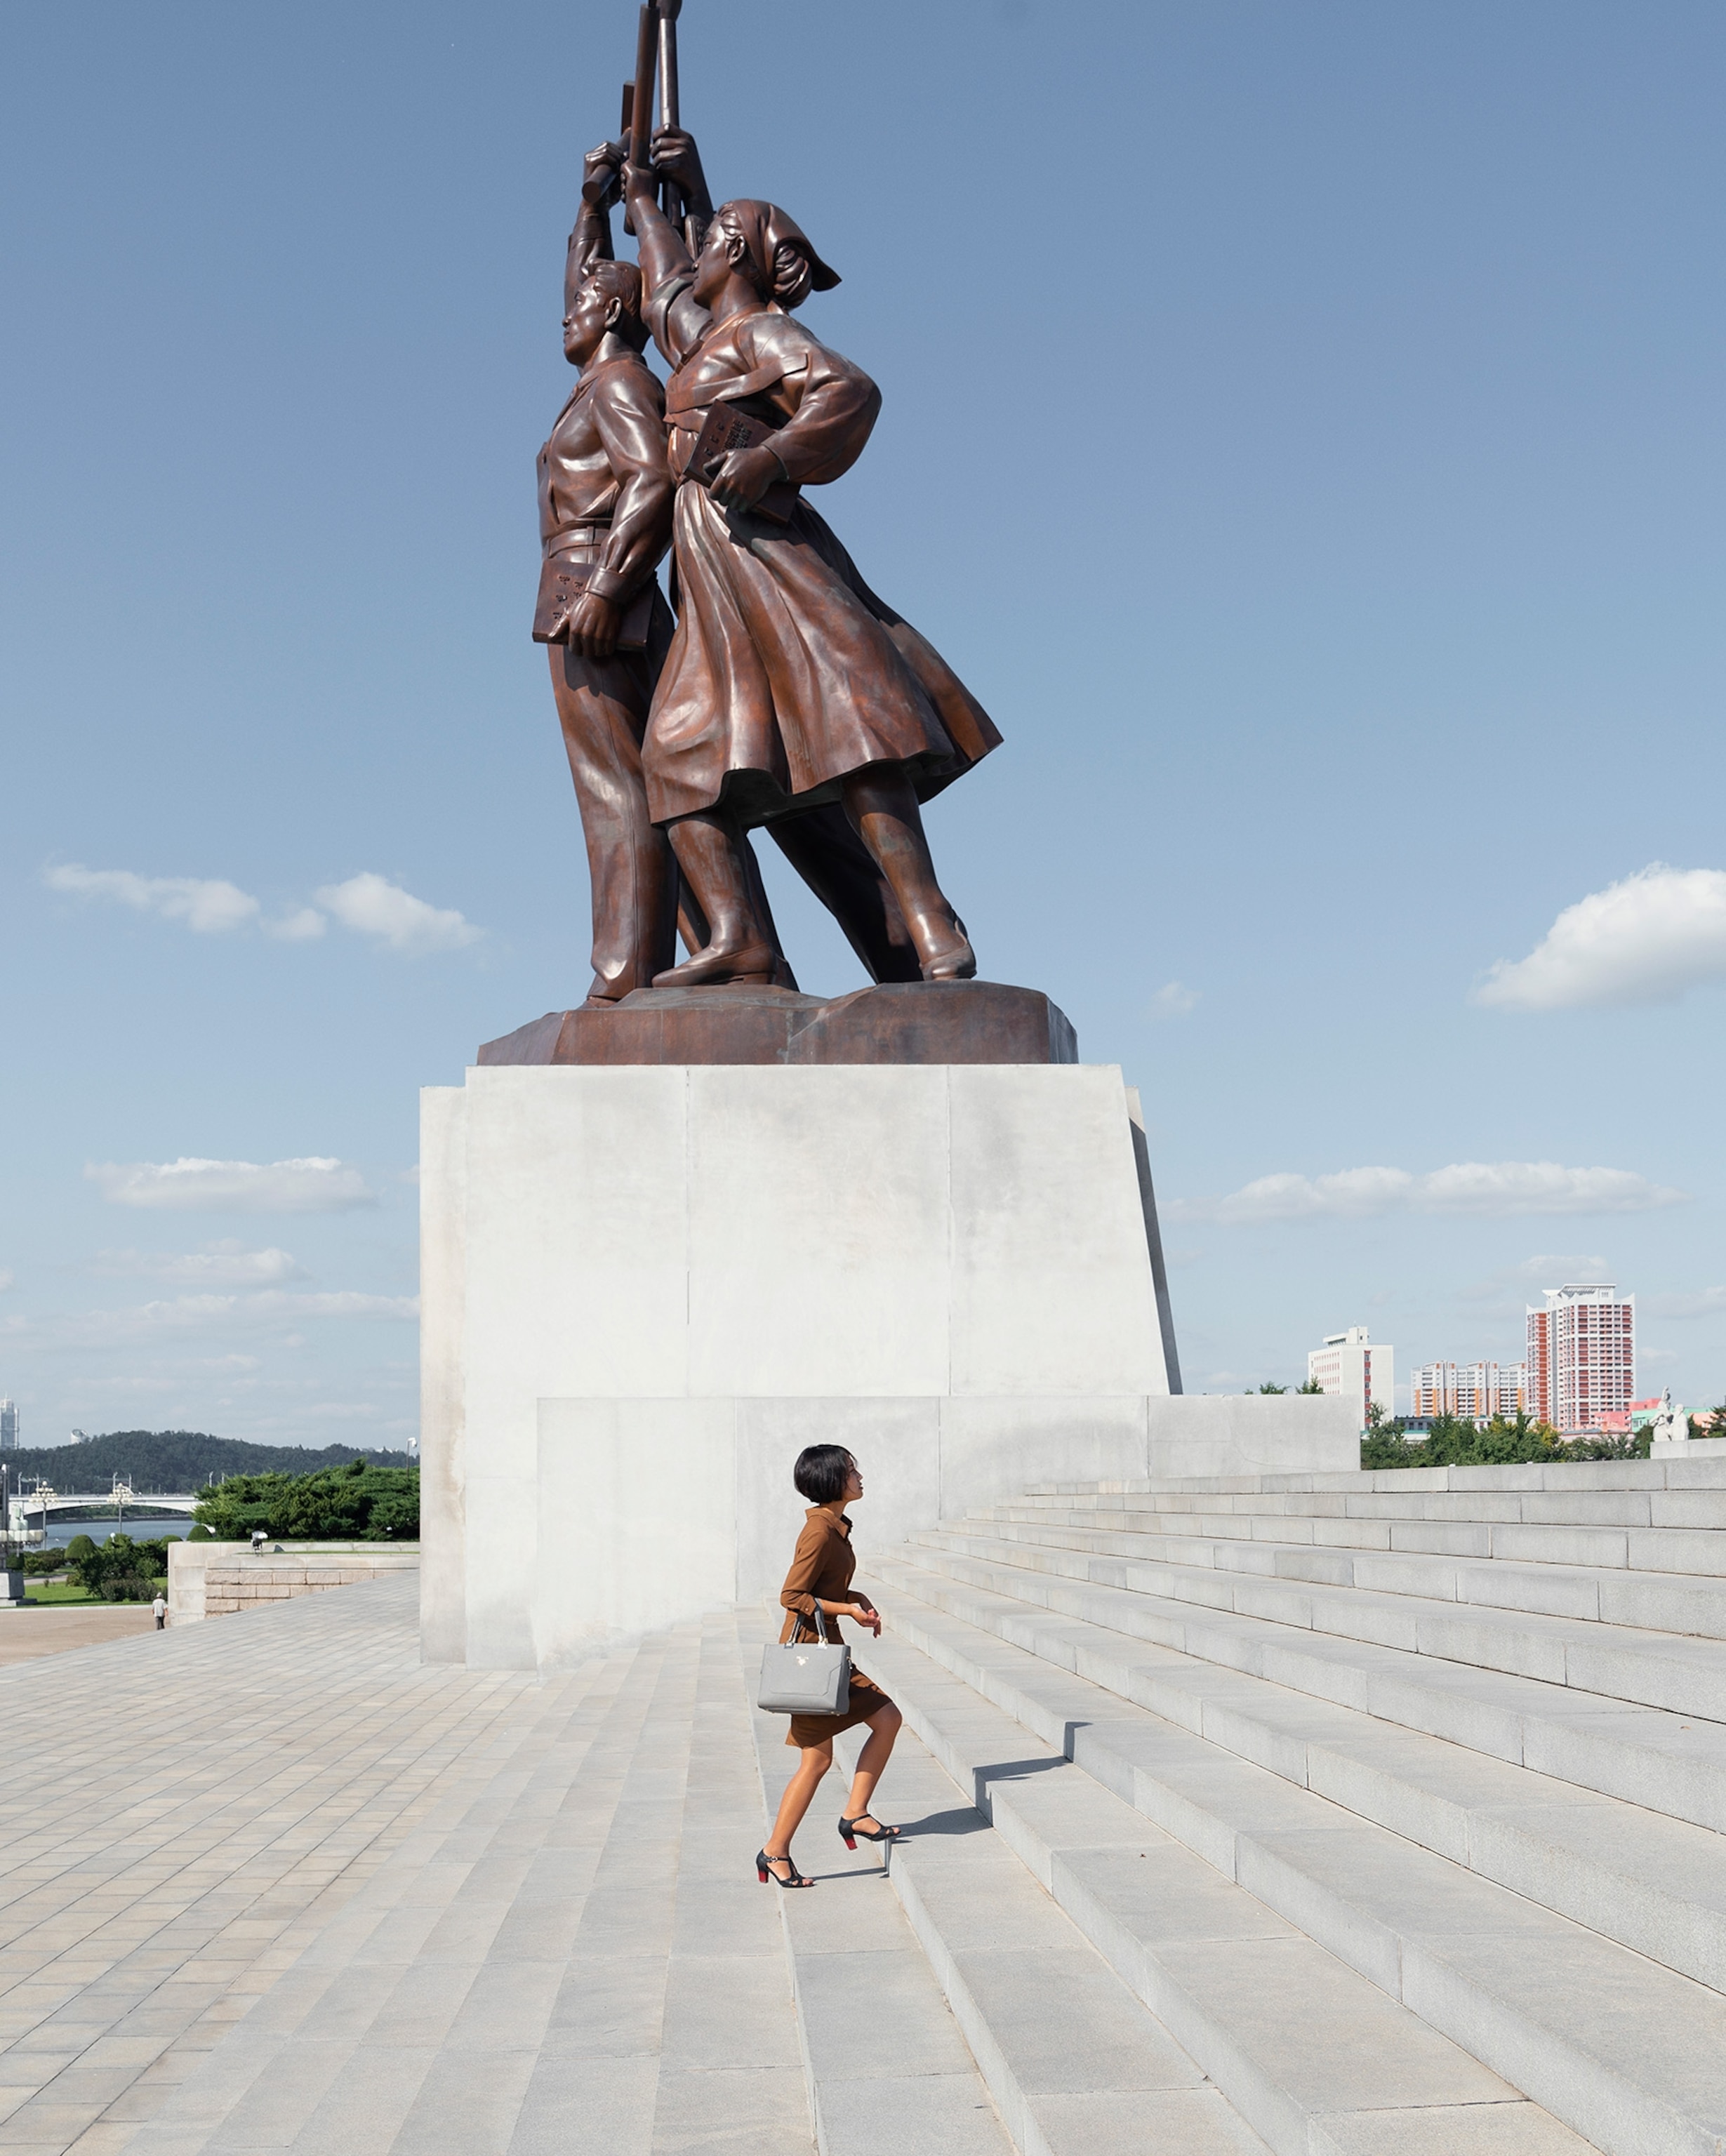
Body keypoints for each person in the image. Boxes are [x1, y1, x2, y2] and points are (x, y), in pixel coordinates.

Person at [623, 135, 1001, 990]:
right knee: (676, 760)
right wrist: (650, 199)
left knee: (848, 729)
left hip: (770, 553)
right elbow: (663, 295)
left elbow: (848, 391)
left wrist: (777, 458)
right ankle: (738, 938)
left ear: (733, 254)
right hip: (713, 565)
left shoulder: (764, 332)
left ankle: (927, 916)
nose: (696, 249)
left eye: (711, 233)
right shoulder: (709, 340)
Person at [758, 1445, 903, 1889]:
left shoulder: (834, 1528)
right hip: (810, 1657)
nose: (860, 1477)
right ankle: (774, 1852)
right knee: (817, 1761)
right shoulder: (819, 1531)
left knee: (887, 1717)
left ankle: (855, 1813)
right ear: (831, 1481)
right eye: (851, 1471)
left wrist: (855, 1599)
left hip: (827, 1650)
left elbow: (826, 1585)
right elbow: (792, 1596)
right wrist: (849, 1609)